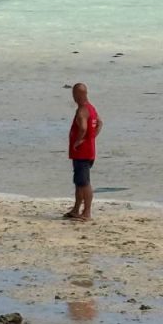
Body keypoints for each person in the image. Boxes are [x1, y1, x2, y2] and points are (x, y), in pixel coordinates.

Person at [64, 82, 102, 221]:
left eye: (74, 94)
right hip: (88, 151)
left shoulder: (82, 110)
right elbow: (100, 123)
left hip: (82, 153)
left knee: (84, 182)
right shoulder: (91, 108)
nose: (73, 97)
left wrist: (79, 140)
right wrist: (92, 137)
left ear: (80, 94)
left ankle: (86, 212)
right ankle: (76, 209)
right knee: (79, 182)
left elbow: (83, 128)